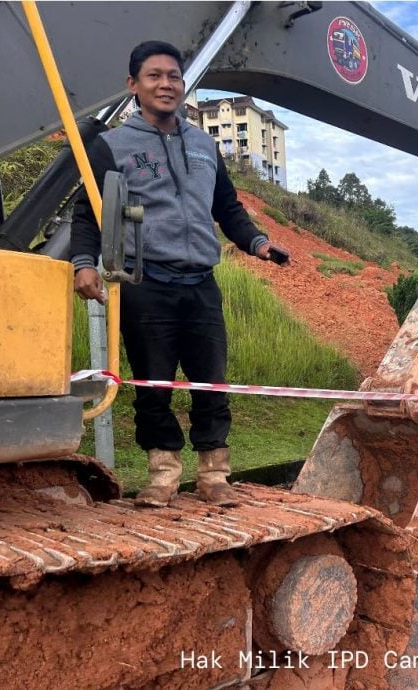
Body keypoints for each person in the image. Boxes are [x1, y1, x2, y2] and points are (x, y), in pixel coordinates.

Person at [71, 40, 290, 508]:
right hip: (146, 284)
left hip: (201, 285)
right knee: (154, 386)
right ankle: (163, 478)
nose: (166, 84)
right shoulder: (110, 146)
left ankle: (214, 477)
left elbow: (226, 207)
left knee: (211, 384)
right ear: (133, 85)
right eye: (154, 76)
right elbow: (88, 213)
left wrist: (257, 242)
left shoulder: (204, 144)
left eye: (173, 76)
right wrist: (84, 264)